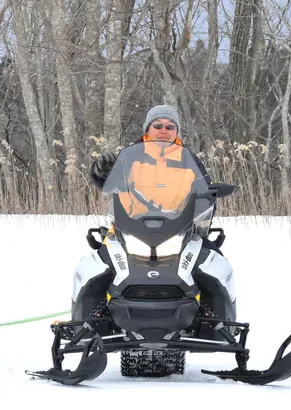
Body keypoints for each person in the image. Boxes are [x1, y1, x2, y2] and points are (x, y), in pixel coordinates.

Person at [77, 104, 238, 322]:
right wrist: (101, 169)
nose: (164, 131)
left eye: (170, 126)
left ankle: (222, 325)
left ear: (176, 131)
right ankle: (85, 325)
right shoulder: (129, 158)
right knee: (95, 269)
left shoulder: (189, 160)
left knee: (215, 267)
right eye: (158, 126)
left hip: (179, 230)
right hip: (129, 229)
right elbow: (105, 181)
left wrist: (205, 205)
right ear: (148, 129)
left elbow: (205, 193)